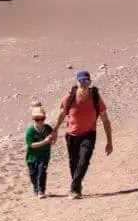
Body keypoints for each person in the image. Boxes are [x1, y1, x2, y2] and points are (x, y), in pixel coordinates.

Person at [51, 70, 113, 199]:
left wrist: (109, 141)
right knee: (73, 162)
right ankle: (77, 187)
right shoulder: (69, 97)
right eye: (81, 81)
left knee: (84, 161)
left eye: (87, 81)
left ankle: (73, 188)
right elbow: (62, 114)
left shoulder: (95, 97)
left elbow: (105, 120)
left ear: (90, 82)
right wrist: (55, 129)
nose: (84, 84)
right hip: (71, 135)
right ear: (77, 82)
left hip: (88, 134)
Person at [25, 104, 54, 199]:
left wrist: (53, 137)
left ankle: (41, 190)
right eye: (37, 119)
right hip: (32, 157)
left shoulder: (48, 128)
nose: (40, 121)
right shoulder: (30, 130)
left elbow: (53, 141)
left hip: (44, 156)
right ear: (34, 119)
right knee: (33, 174)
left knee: (42, 172)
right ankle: (35, 188)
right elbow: (31, 145)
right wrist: (45, 141)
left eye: (42, 119)